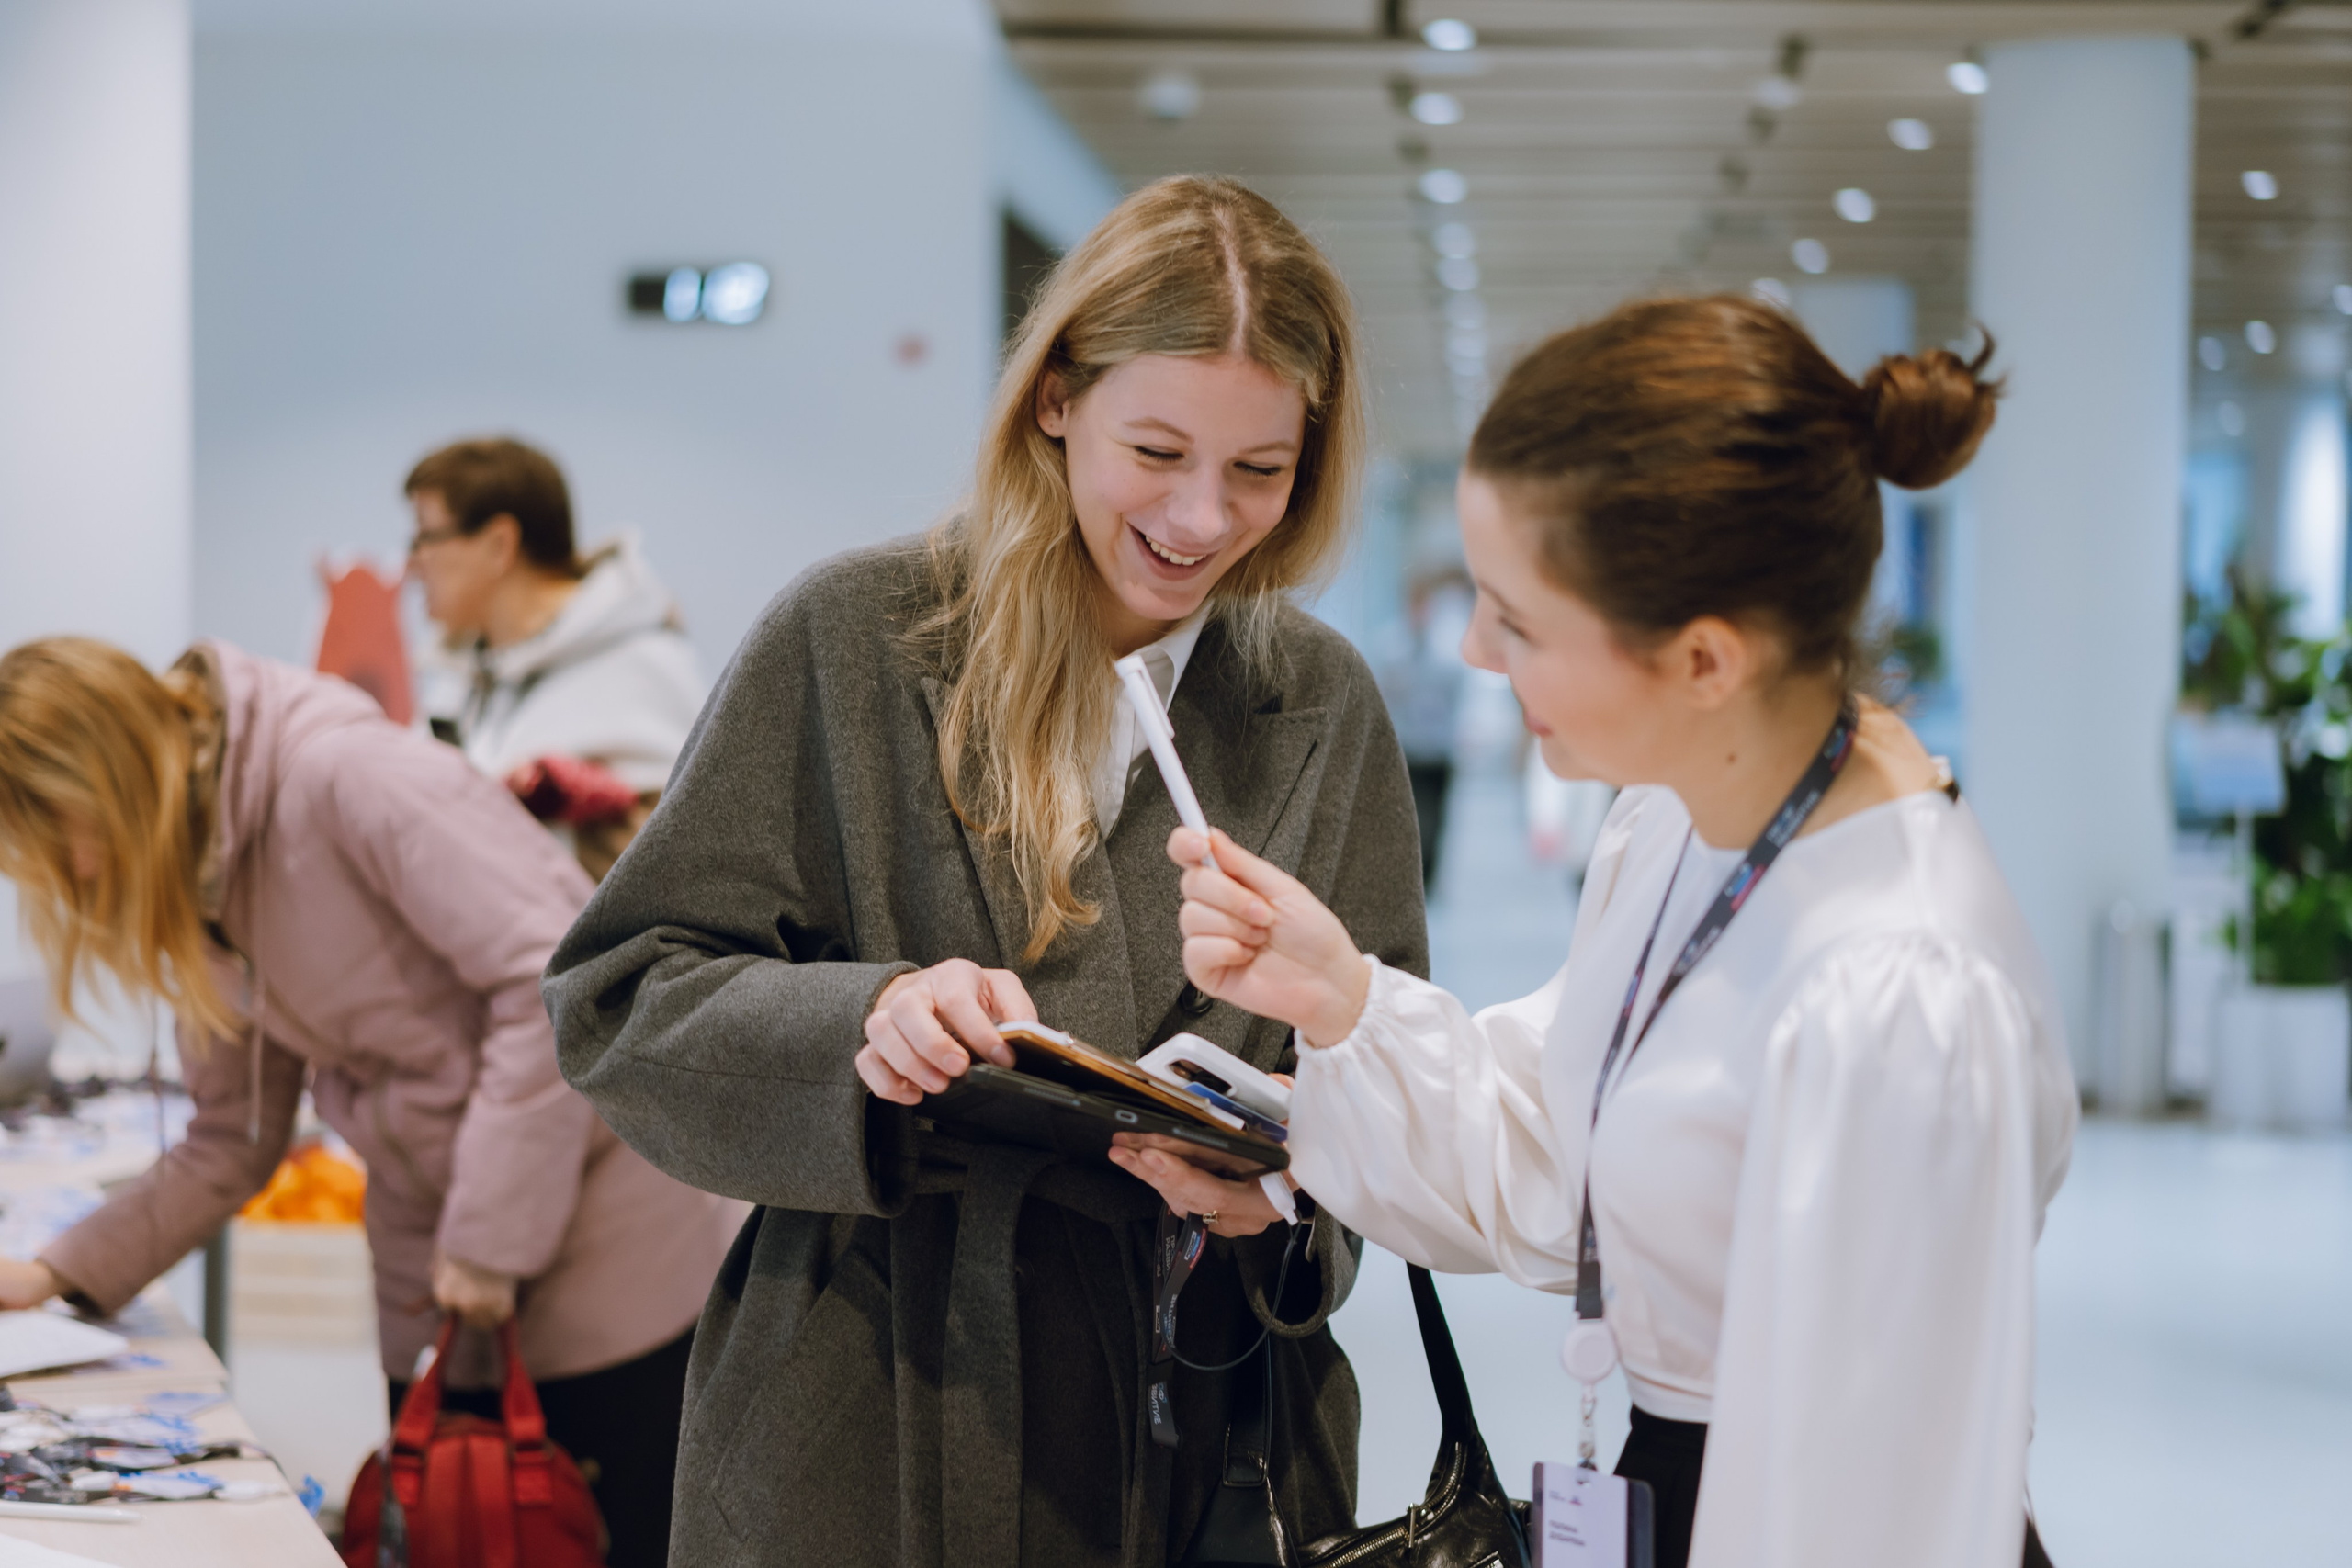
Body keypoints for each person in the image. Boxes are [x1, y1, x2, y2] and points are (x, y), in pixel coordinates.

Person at [544, 175, 1427, 1568]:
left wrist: (1294, 1184)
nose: (1203, 518)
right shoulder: (858, 637)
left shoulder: (1317, 701)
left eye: (1262, 470)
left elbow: (1389, 1061)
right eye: (1158, 449)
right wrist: (862, 1020)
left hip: (1205, 1426)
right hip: (873, 1400)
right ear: (1056, 396)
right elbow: (621, 997)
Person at [1117, 297, 2080, 1568]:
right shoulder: (1681, 820)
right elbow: (1576, 1152)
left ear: (1702, 658)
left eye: (1518, 619)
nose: (1472, 648)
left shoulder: (1899, 985)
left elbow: (1872, 1492)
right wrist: (1341, 999)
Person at [0, 637, 741, 1568]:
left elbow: (555, 985)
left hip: (597, 1248)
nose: (76, 874)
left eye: (63, 838)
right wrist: (56, 1273)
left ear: (106, 777)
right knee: (446, 1534)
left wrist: (487, 1242)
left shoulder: (344, 777)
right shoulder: (203, 874)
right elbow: (232, 1136)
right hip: (437, 1268)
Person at [406, 436, 704, 879]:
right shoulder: (458, 680)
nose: (412, 563)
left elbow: (696, 860)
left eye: (427, 537)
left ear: (498, 544)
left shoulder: (641, 665)